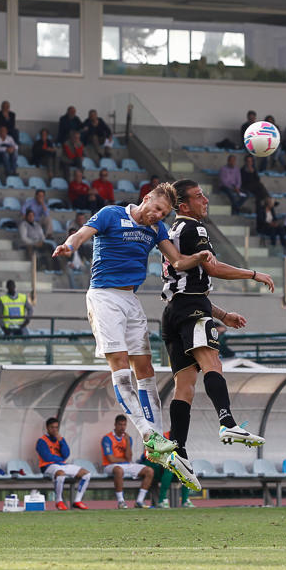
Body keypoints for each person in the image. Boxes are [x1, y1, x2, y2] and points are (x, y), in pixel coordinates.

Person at [53, 184, 213, 490]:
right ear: (147, 198)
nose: (157, 216)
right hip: (104, 297)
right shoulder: (112, 214)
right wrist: (69, 246)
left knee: (146, 369)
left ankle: (157, 436)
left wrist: (199, 258)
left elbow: (177, 261)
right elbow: (82, 234)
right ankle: (146, 432)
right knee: (120, 364)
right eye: (156, 209)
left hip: (130, 300)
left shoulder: (156, 229)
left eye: (164, 214)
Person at [159, 179, 275, 491]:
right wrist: (252, 274)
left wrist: (222, 315)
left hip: (172, 313)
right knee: (213, 364)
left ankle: (179, 450)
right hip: (192, 309)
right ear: (183, 206)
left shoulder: (170, 234)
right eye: (198, 197)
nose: (205, 200)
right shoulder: (194, 229)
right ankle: (227, 423)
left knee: (185, 386)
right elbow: (211, 269)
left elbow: (189, 283)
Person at [36, 417, 91, 510]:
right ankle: (59, 501)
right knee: (60, 473)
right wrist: (60, 458)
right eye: (52, 427)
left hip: (62, 465)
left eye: (56, 428)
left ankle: (77, 500)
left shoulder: (60, 439)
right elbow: (47, 457)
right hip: (48, 466)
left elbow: (66, 454)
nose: (54, 430)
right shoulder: (42, 441)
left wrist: (61, 441)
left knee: (86, 474)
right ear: (47, 428)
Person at [102, 414, 154, 509]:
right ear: (115, 425)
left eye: (124, 425)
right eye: (120, 424)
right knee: (119, 470)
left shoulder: (127, 438)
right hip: (110, 466)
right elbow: (111, 459)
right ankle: (121, 501)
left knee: (149, 471)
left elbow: (129, 458)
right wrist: (124, 459)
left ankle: (139, 501)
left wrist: (127, 442)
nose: (122, 427)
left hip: (126, 465)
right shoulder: (107, 438)